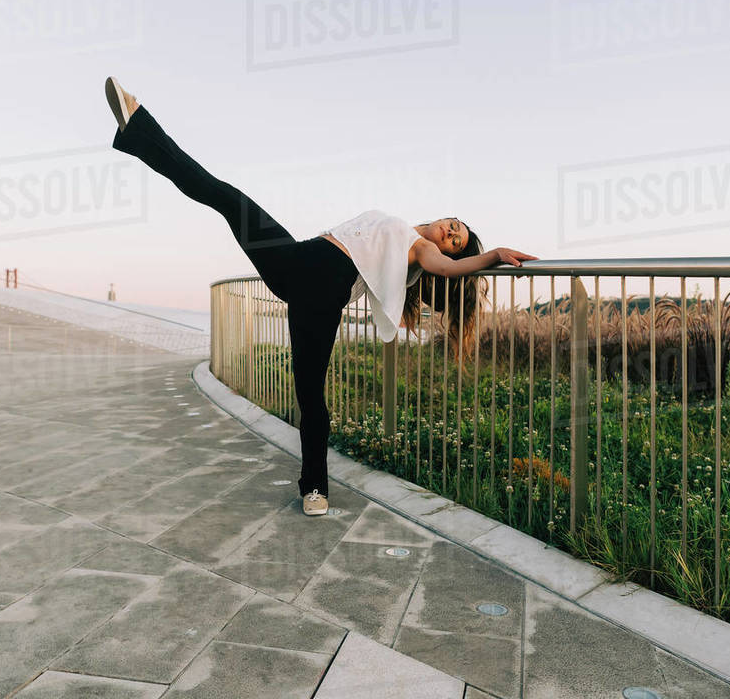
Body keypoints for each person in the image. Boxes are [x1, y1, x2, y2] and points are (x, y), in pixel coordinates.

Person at [104, 77, 537, 517]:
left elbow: (448, 270)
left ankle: (315, 488)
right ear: (444, 216)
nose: (451, 234)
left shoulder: (420, 250)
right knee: (226, 196)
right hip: (296, 260)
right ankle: (137, 127)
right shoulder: (403, 226)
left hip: (321, 295)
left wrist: (493, 256)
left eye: (456, 240)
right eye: (454, 225)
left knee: (310, 394)